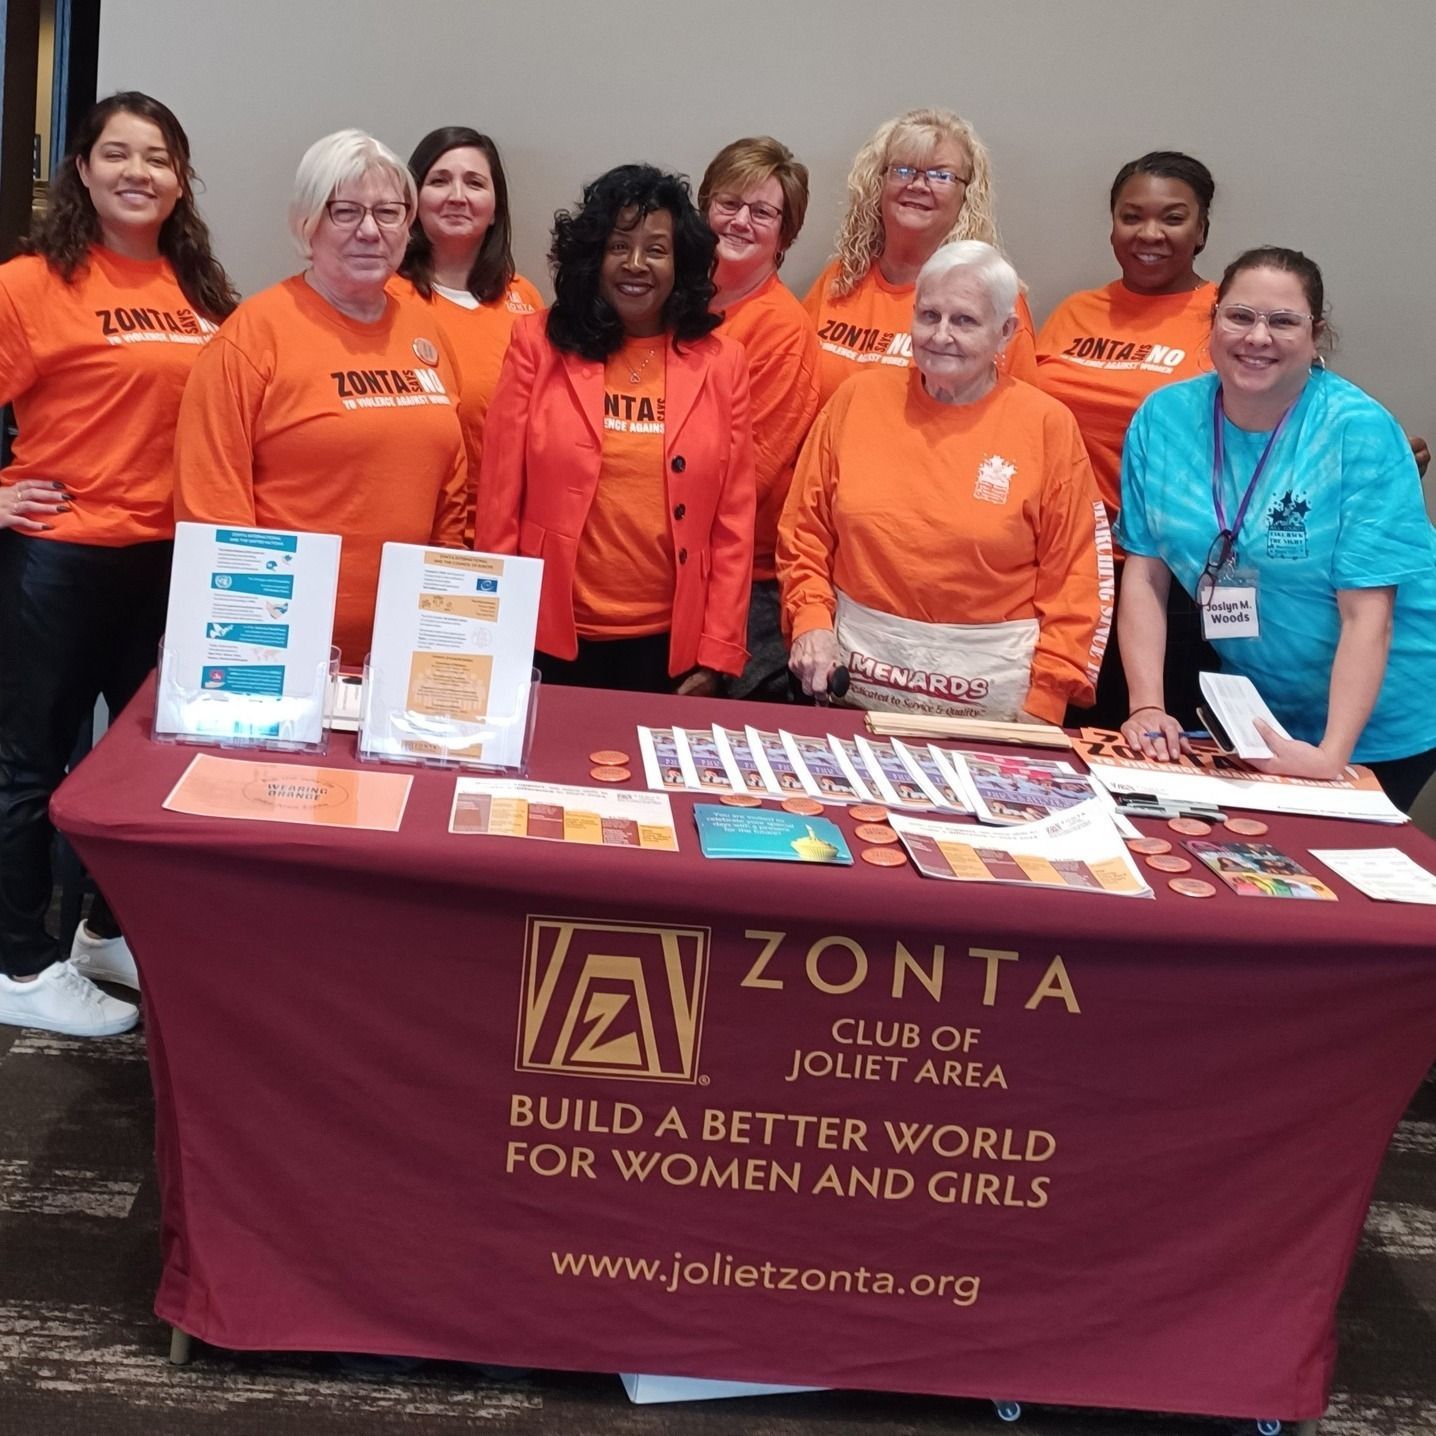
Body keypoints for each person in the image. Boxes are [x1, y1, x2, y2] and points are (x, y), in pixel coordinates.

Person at [0, 92, 238, 1036]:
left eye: (160, 158)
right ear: (84, 170)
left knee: (142, 759)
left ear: (181, 180)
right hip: (61, 562)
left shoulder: (201, 292)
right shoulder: (29, 284)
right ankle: (20, 964)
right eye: (119, 155)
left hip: (170, 559)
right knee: (29, 764)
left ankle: (101, 928)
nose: (140, 173)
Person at [1117, 247, 1436, 812]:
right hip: (1260, 709)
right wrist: (1147, 705)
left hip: (1385, 712)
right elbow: (1145, 574)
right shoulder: (1162, 420)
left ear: (1316, 336)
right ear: (1212, 321)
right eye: (1240, 316)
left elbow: (1371, 616)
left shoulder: (1357, 432)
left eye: (1283, 322)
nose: (1257, 337)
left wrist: (1332, 754)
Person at [781, 241, 1109, 724]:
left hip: (998, 707)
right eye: (928, 315)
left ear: (1006, 334)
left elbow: (1077, 579)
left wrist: (1048, 698)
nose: (940, 335)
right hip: (855, 694)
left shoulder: (1047, 426)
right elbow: (803, 533)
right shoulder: (857, 400)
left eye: (965, 321)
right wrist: (810, 624)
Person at [175, 130, 467, 663]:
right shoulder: (253, 336)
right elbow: (212, 505)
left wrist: (440, 623)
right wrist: (259, 648)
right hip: (278, 645)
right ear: (307, 223)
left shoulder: (426, 334)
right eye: (345, 211)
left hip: (403, 648)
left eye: (388, 212)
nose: (369, 231)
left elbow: (451, 488)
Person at [475, 164, 755, 695]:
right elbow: (498, 504)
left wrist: (717, 656)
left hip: (672, 647)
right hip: (548, 638)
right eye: (618, 245)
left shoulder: (723, 364)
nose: (635, 264)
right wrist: (498, 627)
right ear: (592, 256)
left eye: (656, 249)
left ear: (682, 263)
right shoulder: (536, 344)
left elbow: (734, 522)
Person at [1034, 151, 1219, 727]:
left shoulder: (1226, 316)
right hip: (1067, 573)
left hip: (1174, 578)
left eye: (1173, 217)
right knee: (1062, 748)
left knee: (1157, 750)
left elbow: (1291, 410)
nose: (1150, 234)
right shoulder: (1074, 312)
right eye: (1132, 216)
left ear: (1202, 230)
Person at [803, 107, 1037, 410]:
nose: (917, 185)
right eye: (903, 170)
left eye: (940, 175)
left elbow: (1018, 416)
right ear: (878, 184)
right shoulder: (838, 281)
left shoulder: (994, 296)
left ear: (967, 196)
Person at [697, 136, 819, 700]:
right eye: (729, 203)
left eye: (763, 212)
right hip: (671, 566)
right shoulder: (673, 302)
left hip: (745, 583)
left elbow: (751, 470)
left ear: (785, 234)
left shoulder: (781, 328)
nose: (741, 221)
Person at [394, 127, 541, 537]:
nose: (457, 195)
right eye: (439, 181)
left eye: (474, 183)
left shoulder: (524, 299)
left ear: (495, 208)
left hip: (503, 533)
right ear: (412, 200)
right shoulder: (384, 296)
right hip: (413, 529)